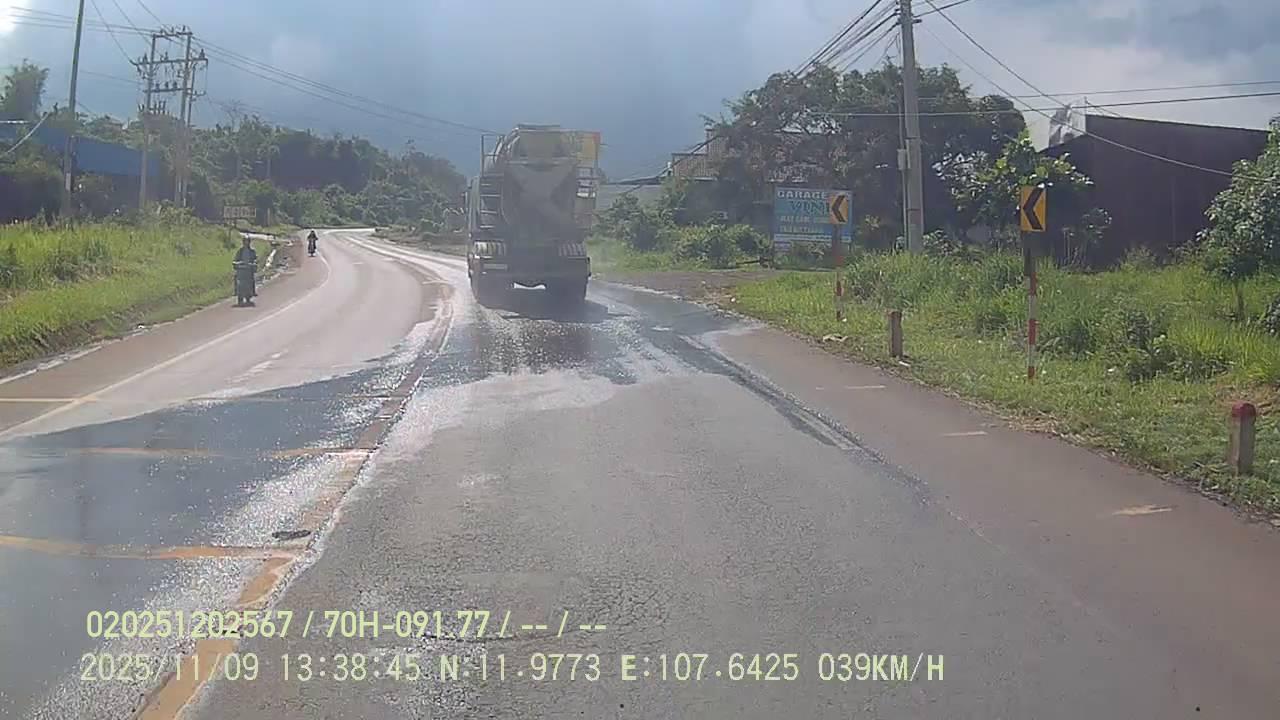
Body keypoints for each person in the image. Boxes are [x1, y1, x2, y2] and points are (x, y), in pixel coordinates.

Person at [234, 236, 258, 302]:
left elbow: (255, 259)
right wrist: (236, 263)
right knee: (236, 278)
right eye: (245, 241)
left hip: (249, 269)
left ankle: (253, 291)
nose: (246, 243)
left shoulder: (252, 251)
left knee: (252, 279)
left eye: (247, 241)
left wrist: (254, 263)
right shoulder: (240, 251)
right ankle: (236, 291)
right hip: (241, 269)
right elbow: (236, 259)